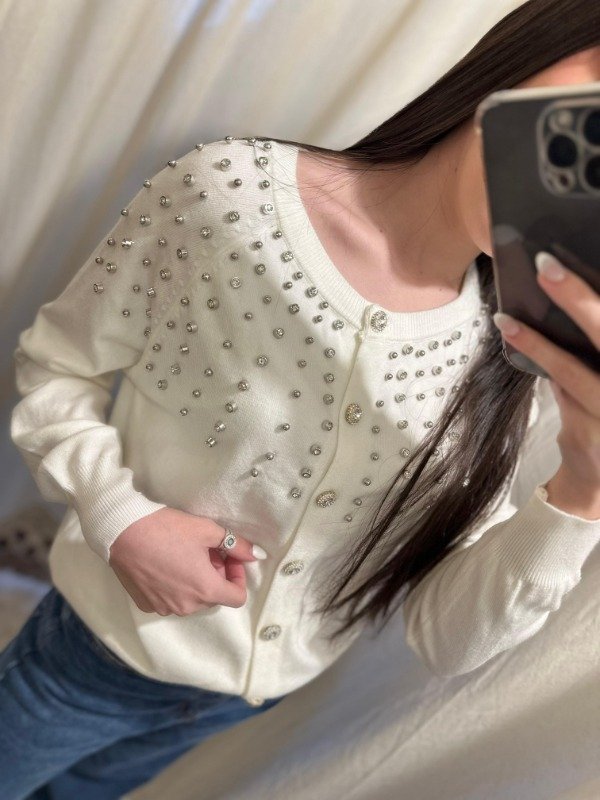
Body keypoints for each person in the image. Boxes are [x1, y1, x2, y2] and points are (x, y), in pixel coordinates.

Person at [3, 1, 600, 797]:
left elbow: (445, 640)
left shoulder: (512, 352)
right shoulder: (231, 196)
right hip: (92, 653)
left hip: (240, 703)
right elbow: (55, 367)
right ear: (537, 44)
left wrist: (581, 493)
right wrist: (119, 518)